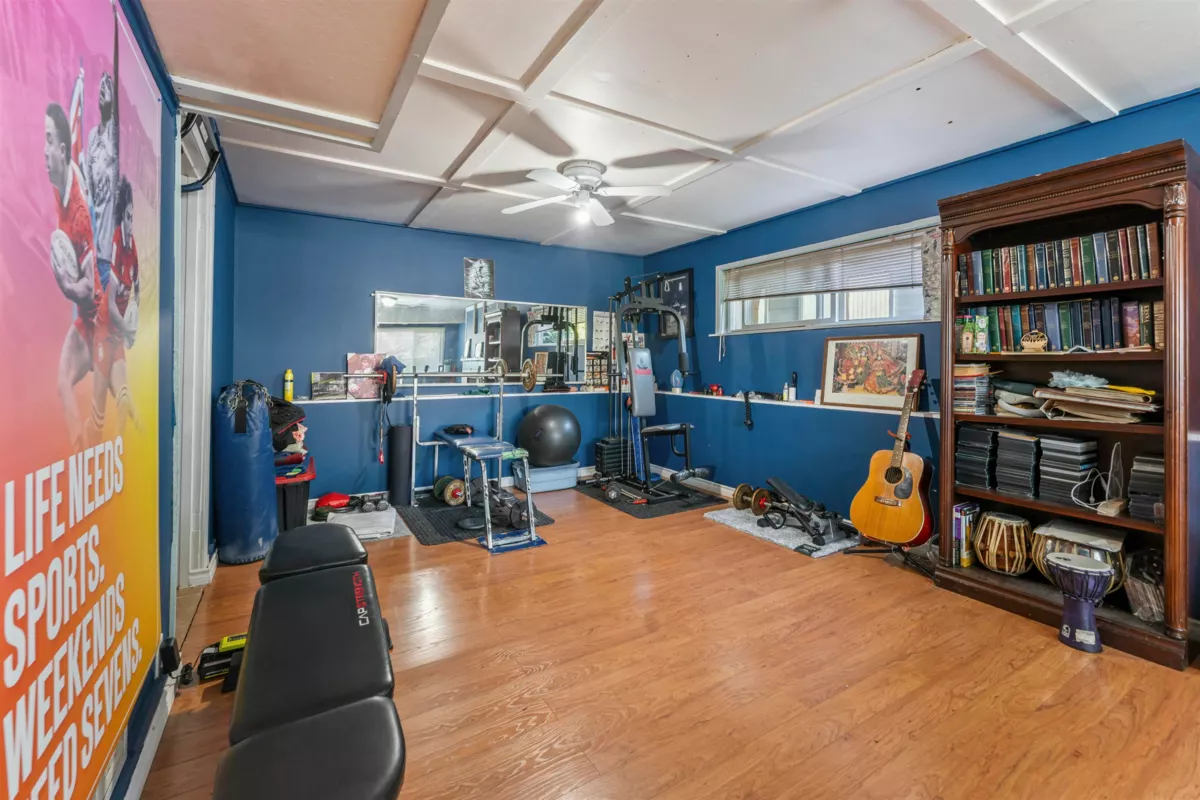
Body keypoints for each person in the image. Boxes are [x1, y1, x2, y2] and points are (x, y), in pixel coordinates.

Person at [46, 102, 102, 448]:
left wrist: (67, 285)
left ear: (62, 149)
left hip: (99, 322)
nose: (43, 148)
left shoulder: (81, 217)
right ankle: (77, 446)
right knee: (62, 383)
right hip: (86, 318)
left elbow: (89, 288)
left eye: (48, 139)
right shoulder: (60, 183)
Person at [96, 177, 140, 434]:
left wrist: (137, 321)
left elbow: (138, 286)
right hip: (104, 327)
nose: (131, 223)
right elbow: (111, 303)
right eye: (129, 217)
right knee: (100, 407)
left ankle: (122, 451)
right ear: (122, 217)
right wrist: (126, 328)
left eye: (134, 217)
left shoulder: (131, 246)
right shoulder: (115, 244)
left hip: (119, 331)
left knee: (125, 400)